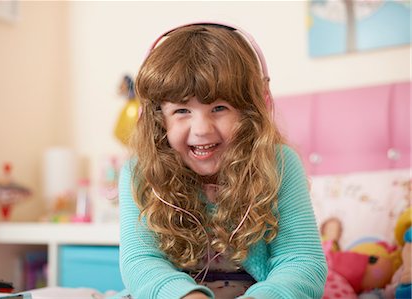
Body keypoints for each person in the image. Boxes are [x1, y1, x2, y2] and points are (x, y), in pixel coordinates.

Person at [113, 22, 328, 299]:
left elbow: (301, 262)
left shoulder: (280, 165)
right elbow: (141, 263)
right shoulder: (140, 173)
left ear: (250, 111)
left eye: (219, 108)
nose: (201, 129)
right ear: (157, 119)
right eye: (181, 110)